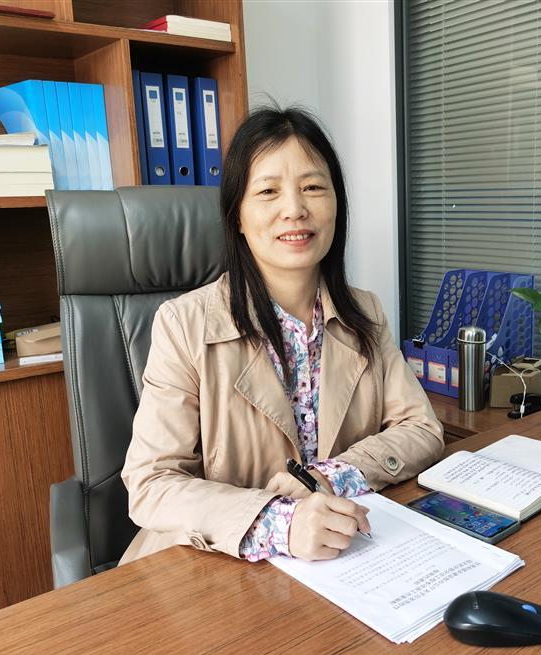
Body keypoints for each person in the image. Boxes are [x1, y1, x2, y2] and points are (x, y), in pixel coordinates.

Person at [120, 106, 444, 564]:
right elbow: (150, 483)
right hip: (214, 568)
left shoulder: (365, 313)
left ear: (337, 205)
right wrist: (280, 522)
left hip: (341, 559)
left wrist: (331, 476)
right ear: (236, 215)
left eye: (313, 187)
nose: (294, 209)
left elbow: (422, 429)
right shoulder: (183, 325)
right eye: (268, 191)